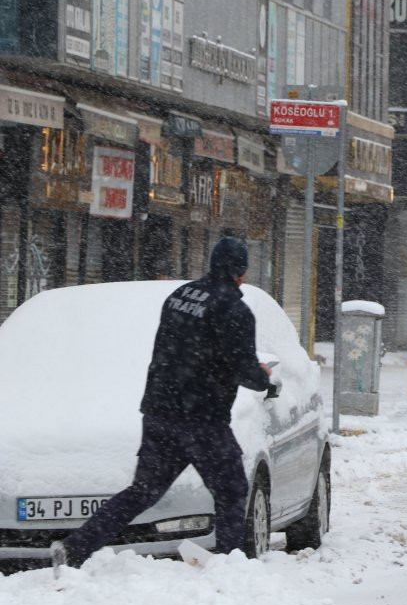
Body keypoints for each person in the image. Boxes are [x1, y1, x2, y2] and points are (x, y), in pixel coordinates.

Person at [52, 237, 276, 574]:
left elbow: (184, 349)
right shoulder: (233, 309)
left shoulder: (180, 296)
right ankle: (230, 568)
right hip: (202, 419)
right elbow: (240, 367)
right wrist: (264, 379)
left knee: (142, 492)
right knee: (231, 489)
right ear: (241, 271)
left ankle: (75, 548)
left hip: (159, 411)